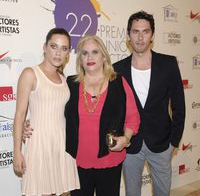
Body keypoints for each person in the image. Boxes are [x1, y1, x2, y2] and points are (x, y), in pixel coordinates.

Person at [113, 11, 186, 196]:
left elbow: (179, 106)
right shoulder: (117, 69)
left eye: (145, 32)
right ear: (128, 35)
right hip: (130, 145)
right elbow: (114, 110)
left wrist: (174, 142)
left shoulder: (168, 64)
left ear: (152, 35)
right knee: (132, 193)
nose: (140, 37)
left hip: (162, 144)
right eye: (135, 32)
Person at [64, 34, 140, 196]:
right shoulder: (70, 84)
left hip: (109, 159)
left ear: (104, 56)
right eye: (84, 53)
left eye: (95, 52)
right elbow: (54, 111)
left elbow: (133, 117)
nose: (89, 57)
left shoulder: (118, 82)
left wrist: (126, 139)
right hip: (77, 160)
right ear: (80, 59)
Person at [13, 28, 80, 196]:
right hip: (39, 145)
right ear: (44, 47)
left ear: (68, 53)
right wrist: (16, 152)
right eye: (54, 46)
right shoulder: (31, 74)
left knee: (65, 192)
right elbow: (20, 115)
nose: (58, 53)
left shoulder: (65, 79)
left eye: (64, 48)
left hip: (62, 146)